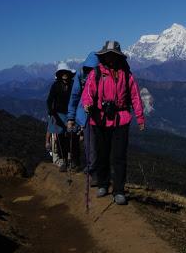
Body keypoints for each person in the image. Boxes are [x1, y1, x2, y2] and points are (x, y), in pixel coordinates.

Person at [81, 41, 145, 205]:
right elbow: (88, 92)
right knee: (102, 154)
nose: (110, 58)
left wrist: (140, 117)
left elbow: (135, 96)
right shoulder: (96, 74)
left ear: (118, 57)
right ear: (103, 56)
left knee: (119, 157)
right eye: (107, 55)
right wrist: (87, 103)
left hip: (120, 119)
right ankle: (103, 183)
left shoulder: (126, 74)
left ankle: (118, 190)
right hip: (100, 119)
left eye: (113, 56)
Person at [66, 52, 100, 184]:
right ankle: (93, 173)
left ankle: (95, 171)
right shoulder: (82, 76)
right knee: (91, 146)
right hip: (87, 116)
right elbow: (74, 97)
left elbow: (74, 98)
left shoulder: (84, 74)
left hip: (96, 115)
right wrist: (70, 117)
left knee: (94, 146)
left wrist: (71, 117)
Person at [46, 62, 77, 172]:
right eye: (62, 72)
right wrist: (51, 112)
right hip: (58, 114)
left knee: (72, 137)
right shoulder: (55, 85)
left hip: (70, 114)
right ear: (60, 74)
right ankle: (64, 160)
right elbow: (50, 100)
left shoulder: (73, 85)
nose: (64, 74)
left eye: (66, 72)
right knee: (61, 138)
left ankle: (72, 160)